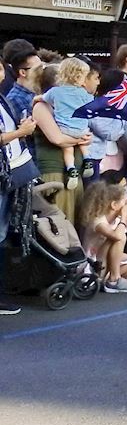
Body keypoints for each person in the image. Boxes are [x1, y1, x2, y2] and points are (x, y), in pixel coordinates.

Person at [0, 86, 38, 314]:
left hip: (9, 175)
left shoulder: (3, 99)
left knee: (2, 235)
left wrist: (22, 130)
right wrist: (20, 132)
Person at [78, 180, 127, 294]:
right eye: (125, 202)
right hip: (93, 265)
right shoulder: (98, 221)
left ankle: (109, 279)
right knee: (119, 237)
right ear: (114, 205)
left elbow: (114, 254)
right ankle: (114, 280)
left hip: (105, 264)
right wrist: (124, 217)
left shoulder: (116, 221)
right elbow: (117, 237)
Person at [42, 57, 95, 188]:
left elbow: (43, 98)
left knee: (68, 149)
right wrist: (82, 139)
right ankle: (87, 158)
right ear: (78, 78)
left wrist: (35, 100)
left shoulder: (55, 92)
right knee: (84, 139)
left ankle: (71, 169)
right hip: (81, 129)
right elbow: (92, 103)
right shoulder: (83, 93)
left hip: (65, 128)